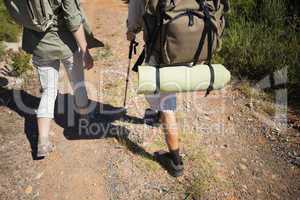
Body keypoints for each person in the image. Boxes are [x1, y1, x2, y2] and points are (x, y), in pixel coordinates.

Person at [22, 0, 94, 158]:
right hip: (66, 45)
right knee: (78, 84)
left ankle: (43, 141)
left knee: (48, 91)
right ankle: (84, 122)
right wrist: (85, 50)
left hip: (40, 45)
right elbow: (73, 20)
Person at [126, 0, 184, 177]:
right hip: (189, 50)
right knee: (164, 92)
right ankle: (157, 114)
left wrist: (130, 32)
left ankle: (175, 161)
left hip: (162, 53)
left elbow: (135, 22)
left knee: (166, 104)